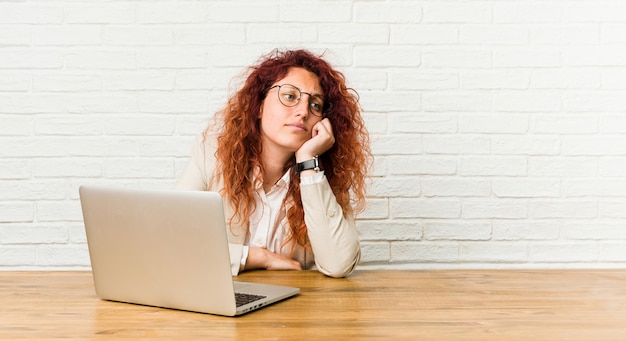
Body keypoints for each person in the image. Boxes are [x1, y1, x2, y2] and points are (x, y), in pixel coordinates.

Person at [176, 49, 371, 278]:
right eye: (290, 96)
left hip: (295, 308)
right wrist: (257, 257)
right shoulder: (211, 153)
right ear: (258, 105)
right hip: (220, 301)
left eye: (315, 105)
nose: (303, 112)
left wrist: (308, 162)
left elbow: (339, 264)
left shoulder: (322, 174)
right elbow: (172, 239)